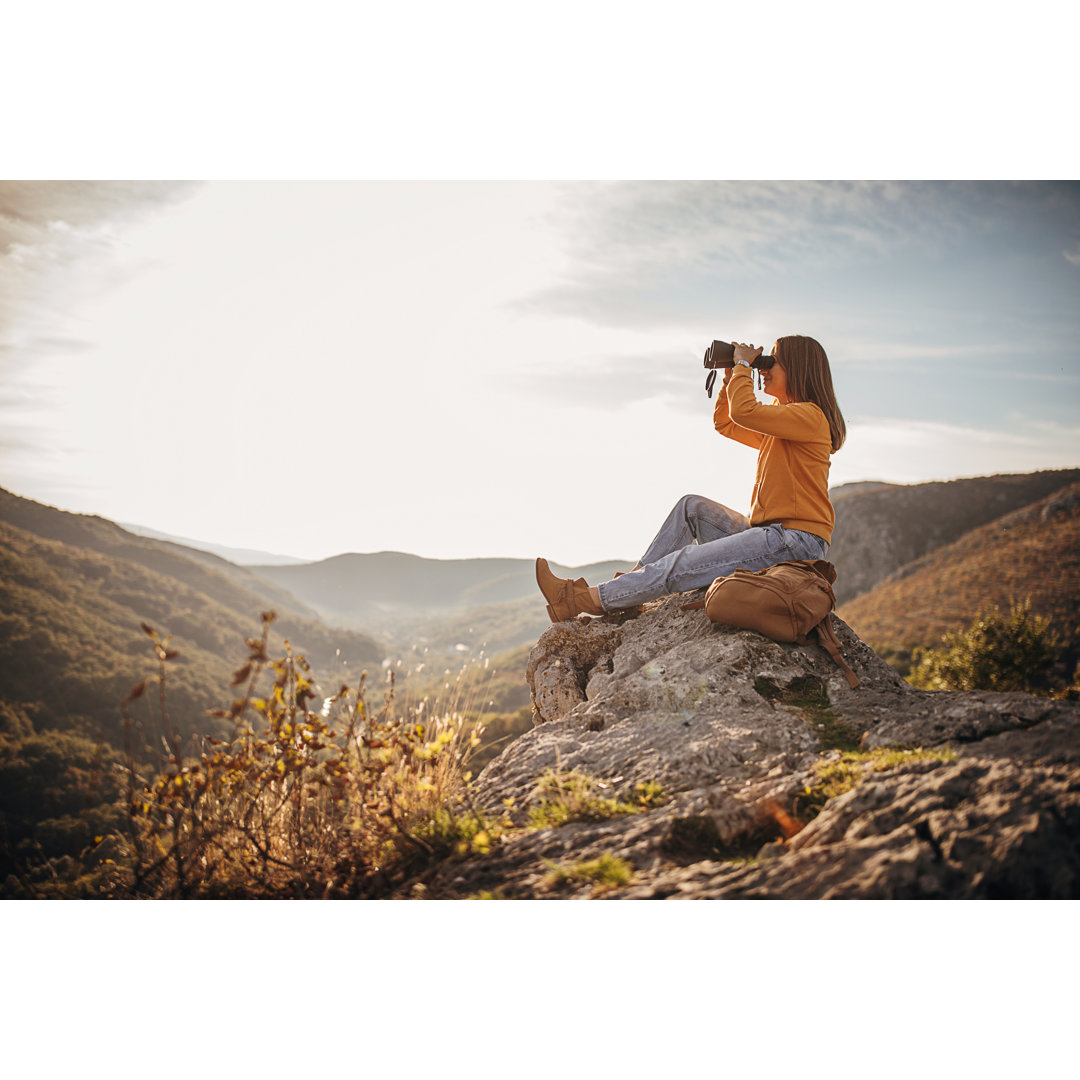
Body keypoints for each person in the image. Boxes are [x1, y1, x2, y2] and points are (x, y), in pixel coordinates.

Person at [535, 335, 847, 622]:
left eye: (773, 360)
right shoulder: (787, 423)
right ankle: (630, 591)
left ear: (799, 367)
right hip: (771, 535)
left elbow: (744, 413)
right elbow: (727, 423)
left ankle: (578, 600)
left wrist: (742, 365)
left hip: (794, 542)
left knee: (684, 562)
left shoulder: (810, 416)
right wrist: (730, 378)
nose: (763, 367)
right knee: (691, 507)